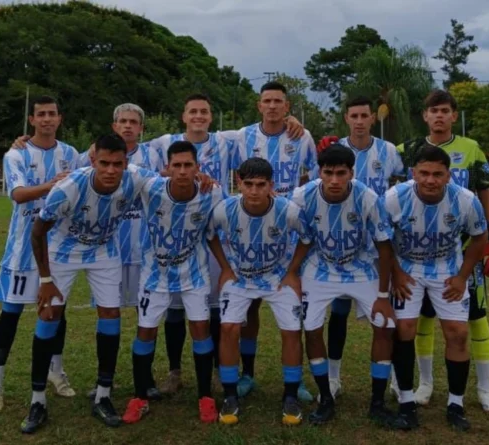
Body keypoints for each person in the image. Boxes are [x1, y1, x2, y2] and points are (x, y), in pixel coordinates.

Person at [148, 94, 306, 396]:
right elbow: (133, 152)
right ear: (183, 115)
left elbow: (265, 130)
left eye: (204, 111)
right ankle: (175, 372)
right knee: (176, 310)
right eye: (192, 111)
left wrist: (289, 121)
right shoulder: (165, 141)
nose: (198, 116)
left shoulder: (225, 140)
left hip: (216, 233)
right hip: (178, 236)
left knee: (217, 308)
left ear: (211, 116)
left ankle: (222, 372)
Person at [22, 133, 159, 433]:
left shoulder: (136, 178)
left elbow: (169, 182)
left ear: (126, 163)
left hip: (103, 250)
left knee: (111, 315)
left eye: (118, 164)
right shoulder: (69, 188)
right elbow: (37, 231)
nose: (111, 170)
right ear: (93, 160)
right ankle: (38, 401)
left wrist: (200, 179)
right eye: (105, 163)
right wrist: (45, 279)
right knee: (49, 315)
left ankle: (103, 395)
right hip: (62, 252)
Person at [396, 90, 489, 415]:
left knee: (474, 319)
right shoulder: (406, 150)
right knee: (422, 319)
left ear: (454, 115)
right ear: (425, 116)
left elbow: (485, 193)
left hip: (459, 248)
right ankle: (424, 384)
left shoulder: (470, 149)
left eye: (445, 111)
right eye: (433, 111)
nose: (439, 116)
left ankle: (484, 389)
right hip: (415, 253)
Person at [290, 145, 398, 427]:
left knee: (384, 327)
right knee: (311, 330)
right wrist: (292, 273)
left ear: (351, 173)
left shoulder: (367, 197)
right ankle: (326, 398)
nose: (335, 180)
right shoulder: (303, 196)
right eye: (328, 173)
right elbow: (297, 238)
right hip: (320, 268)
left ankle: (377, 402)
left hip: (360, 267)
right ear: (319, 173)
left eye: (341, 173)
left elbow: (385, 246)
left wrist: (384, 295)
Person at [382, 144, 487, 431]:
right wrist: (396, 273)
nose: (430, 180)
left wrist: (462, 276)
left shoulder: (465, 201)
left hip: (447, 270)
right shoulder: (394, 198)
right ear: (413, 173)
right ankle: (406, 402)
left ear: (448, 176)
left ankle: (456, 404)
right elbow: (381, 239)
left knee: (458, 333)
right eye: (424, 173)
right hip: (407, 270)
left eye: (437, 174)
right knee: (403, 330)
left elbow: (480, 238)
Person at [0, 96, 79, 415]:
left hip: (59, 250)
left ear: (60, 118)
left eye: (53, 114)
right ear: (32, 120)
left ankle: (56, 369)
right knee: (10, 313)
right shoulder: (18, 153)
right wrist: (51, 186)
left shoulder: (71, 155)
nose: (48, 119)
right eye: (42, 115)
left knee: (57, 312)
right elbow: (18, 194)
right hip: (23, 250)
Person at [122, 141, 226, 425]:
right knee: (145, 331)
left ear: (197, 168)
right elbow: (120, 160)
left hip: (194, 273)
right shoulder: (150, 186)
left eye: (188, 165)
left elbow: (218, 229)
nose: (182, 171)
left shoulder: (212, 192)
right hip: (155, 274)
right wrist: (95, 149)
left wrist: (227, 267)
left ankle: (205, 397)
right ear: (166, 168)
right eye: (176, 166)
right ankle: (140, 397)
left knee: (201, 330)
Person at [230, 81, 318, 401]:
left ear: (287, 106)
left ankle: (298, 380)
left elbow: (318, 175)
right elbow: (205, 144)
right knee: (250, 305)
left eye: (278, 101)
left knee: (296, 306)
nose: (272, 106)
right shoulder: (242, 137)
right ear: (259, 105)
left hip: (289, 232)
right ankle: (248, 373)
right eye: (266, 101)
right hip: (252, 231)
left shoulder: (301, 136)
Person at [208, 158, 310, 425]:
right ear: (238, 184)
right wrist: (225, 268)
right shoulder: (224, 210)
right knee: (229, 328)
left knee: (290, 330)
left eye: (261, 185)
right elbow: (210, 235)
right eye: (248, 184)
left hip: (277, 277)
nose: (254, 191)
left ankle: (290, 395)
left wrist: (292, 271)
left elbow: (307, 238)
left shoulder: (287, 210)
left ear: (271, 185)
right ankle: (230, 394)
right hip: (240, 277)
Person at [314, 96, 403, 400]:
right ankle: (334, 378)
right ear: (346, 118)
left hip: (377, 246)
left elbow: (400, 188)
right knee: (338, 314)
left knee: (383, 315)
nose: (360, 120)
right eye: (354, 115)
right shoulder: (334, 148)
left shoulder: (388, 151)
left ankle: (391, 376)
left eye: (365, 115)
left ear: (372, 118)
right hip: (340, 246)